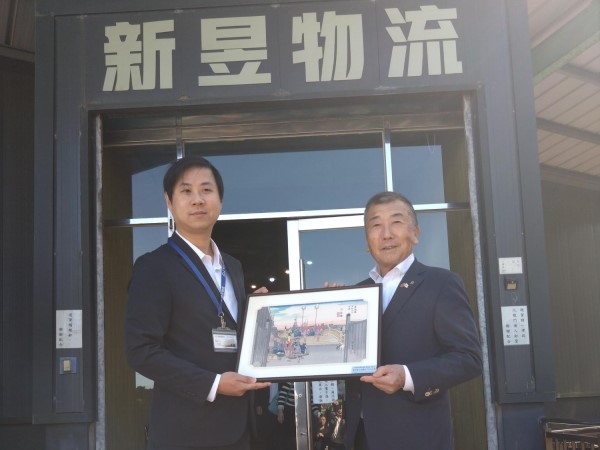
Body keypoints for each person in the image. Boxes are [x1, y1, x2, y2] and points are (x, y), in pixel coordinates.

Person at [125, 156, 270, 450]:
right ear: (169, 201)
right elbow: (140, 350)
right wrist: (213, 384)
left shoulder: (233, 266)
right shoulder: (155, 267)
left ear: (220, 200)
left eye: (206, 190)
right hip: (186, 432)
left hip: (239, 428)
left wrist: (259, 314)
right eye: (186, 191)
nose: (197, 200)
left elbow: (228, 332)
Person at [344, 191, 483, 450]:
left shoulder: (441, 283)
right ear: (366, 240)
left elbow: (469, 358)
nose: (386, 234)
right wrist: (332, 313)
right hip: (361, 437)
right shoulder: (356, 294)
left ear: (415, 233)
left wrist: (408, 376)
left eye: (396, 222)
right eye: (376, 225)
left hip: (417, 436)